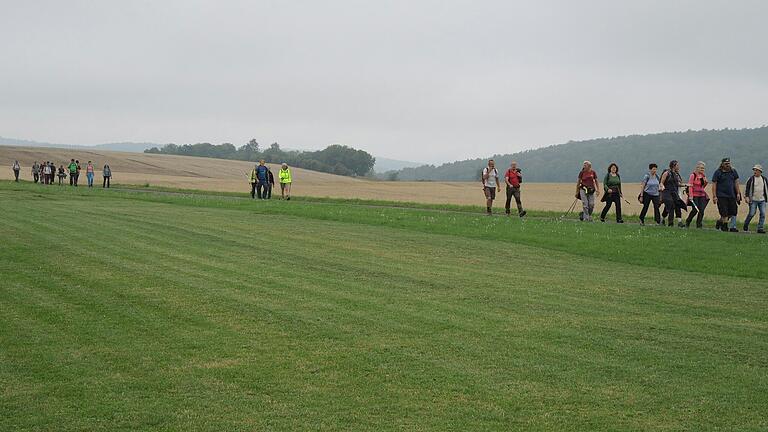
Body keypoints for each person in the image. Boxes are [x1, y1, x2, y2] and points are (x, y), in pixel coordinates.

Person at [712, 158, 741, 232]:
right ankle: (724, 227)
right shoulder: (718, 172)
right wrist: (714, 196)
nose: (728, 165)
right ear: (722, 164)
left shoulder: (733, 171)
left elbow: (736, 183)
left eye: (729, 163)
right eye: (726, 164)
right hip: (721, 195)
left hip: (731, 195)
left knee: (732, 212)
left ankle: (720, 222)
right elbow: (714, 184)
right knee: (724, 213)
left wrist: (738, 193)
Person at [659, 160, 684, 227]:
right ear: (674, 166)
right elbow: (661, 182)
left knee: (676, 205)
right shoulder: (667, 173)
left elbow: (678, 184)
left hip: (674, 193)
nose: (679, 167)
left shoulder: (676, 174)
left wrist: (686, 185)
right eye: (677, 165)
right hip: (666, 192)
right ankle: (670, 223)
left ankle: (663, 219)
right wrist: (662, 186)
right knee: (671, 206)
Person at [743, 164, 767, 234]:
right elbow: (746, 189)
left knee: (763, 214)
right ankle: (746, 225)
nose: (755, 171)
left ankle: (760, 228)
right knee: (751, 213)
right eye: (754, 170)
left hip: (762, 200)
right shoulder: (751, 179)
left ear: (760, 171)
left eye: (756, 170)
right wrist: (746, 197)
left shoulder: (764, 179)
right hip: (753, 200)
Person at [685, 162, 709, 229]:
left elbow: (702, 186)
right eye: (701, 168)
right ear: (697, 168)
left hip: (701, 195)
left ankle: (699, 225)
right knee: (695, 210)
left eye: (703, 168)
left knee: (701, 210)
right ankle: (688, 221)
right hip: (694, 195)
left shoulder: (703, 176)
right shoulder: (693, 175)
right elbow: (690, 186)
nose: (702, 169)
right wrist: (690, 195)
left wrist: (706, 182)